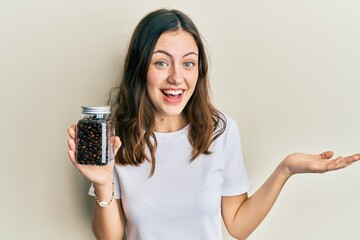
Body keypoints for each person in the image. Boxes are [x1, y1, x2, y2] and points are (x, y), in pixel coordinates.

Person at [67, 9, 360, 240]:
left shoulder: (221, 131)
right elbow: (110, 237)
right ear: (140, 68)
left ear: (199, 70)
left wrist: (286, 169)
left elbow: (238, 226)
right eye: (161, 62)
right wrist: (102, 183)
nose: (176, 78)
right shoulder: (115, 138)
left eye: (188, 63)